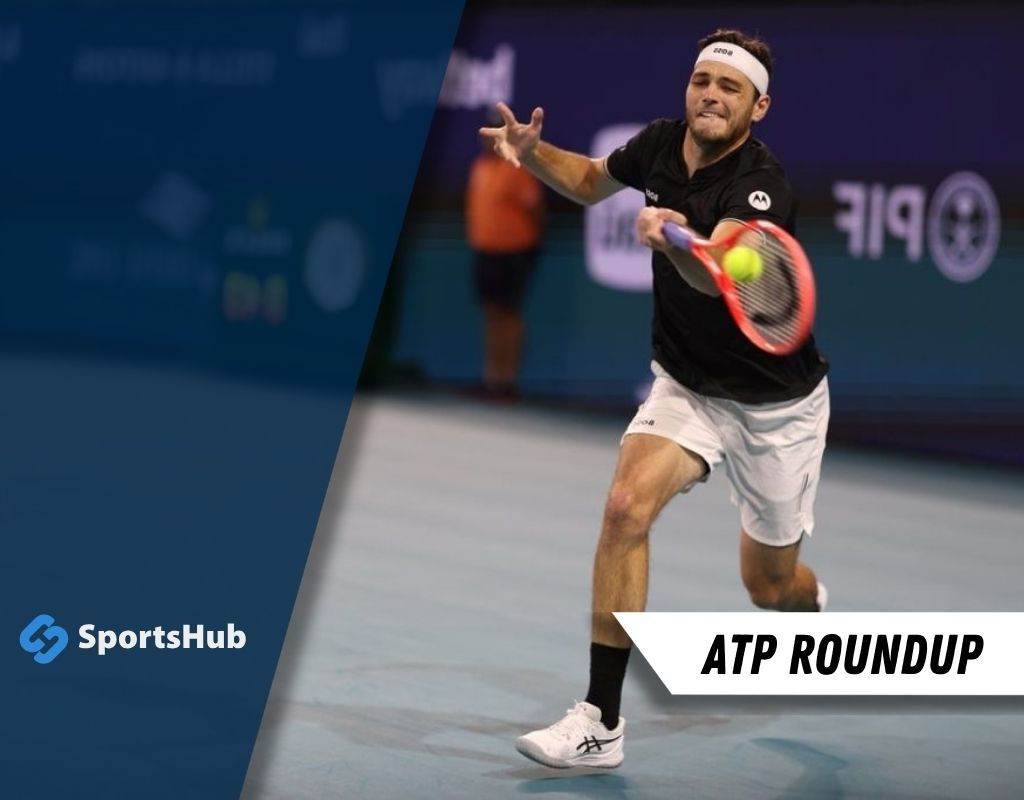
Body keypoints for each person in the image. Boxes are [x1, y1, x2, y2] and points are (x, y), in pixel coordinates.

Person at [480, 29, 831, 769]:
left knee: (770, 589)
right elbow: (587, 180)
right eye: (702, 79)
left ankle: (811, 608)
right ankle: (600, 721)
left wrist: (672, 237)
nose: (710, 93)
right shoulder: (660, 145)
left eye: (730, 87)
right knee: (625, 507)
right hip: (688, 384)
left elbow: (720, 275)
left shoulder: (762, 188)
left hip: (776, 409)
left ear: (759, 107)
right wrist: (533, 149)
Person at [465, 109, 546, 399]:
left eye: (495, 129)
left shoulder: (516, 167)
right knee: (492, 313)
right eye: (486, 130)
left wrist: (530, 246)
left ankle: (507, 382)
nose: (489, 136)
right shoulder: (479, 167)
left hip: (513, 253)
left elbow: (535, 209)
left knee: (509, 315)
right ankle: (491, 378)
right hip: (484, 252)